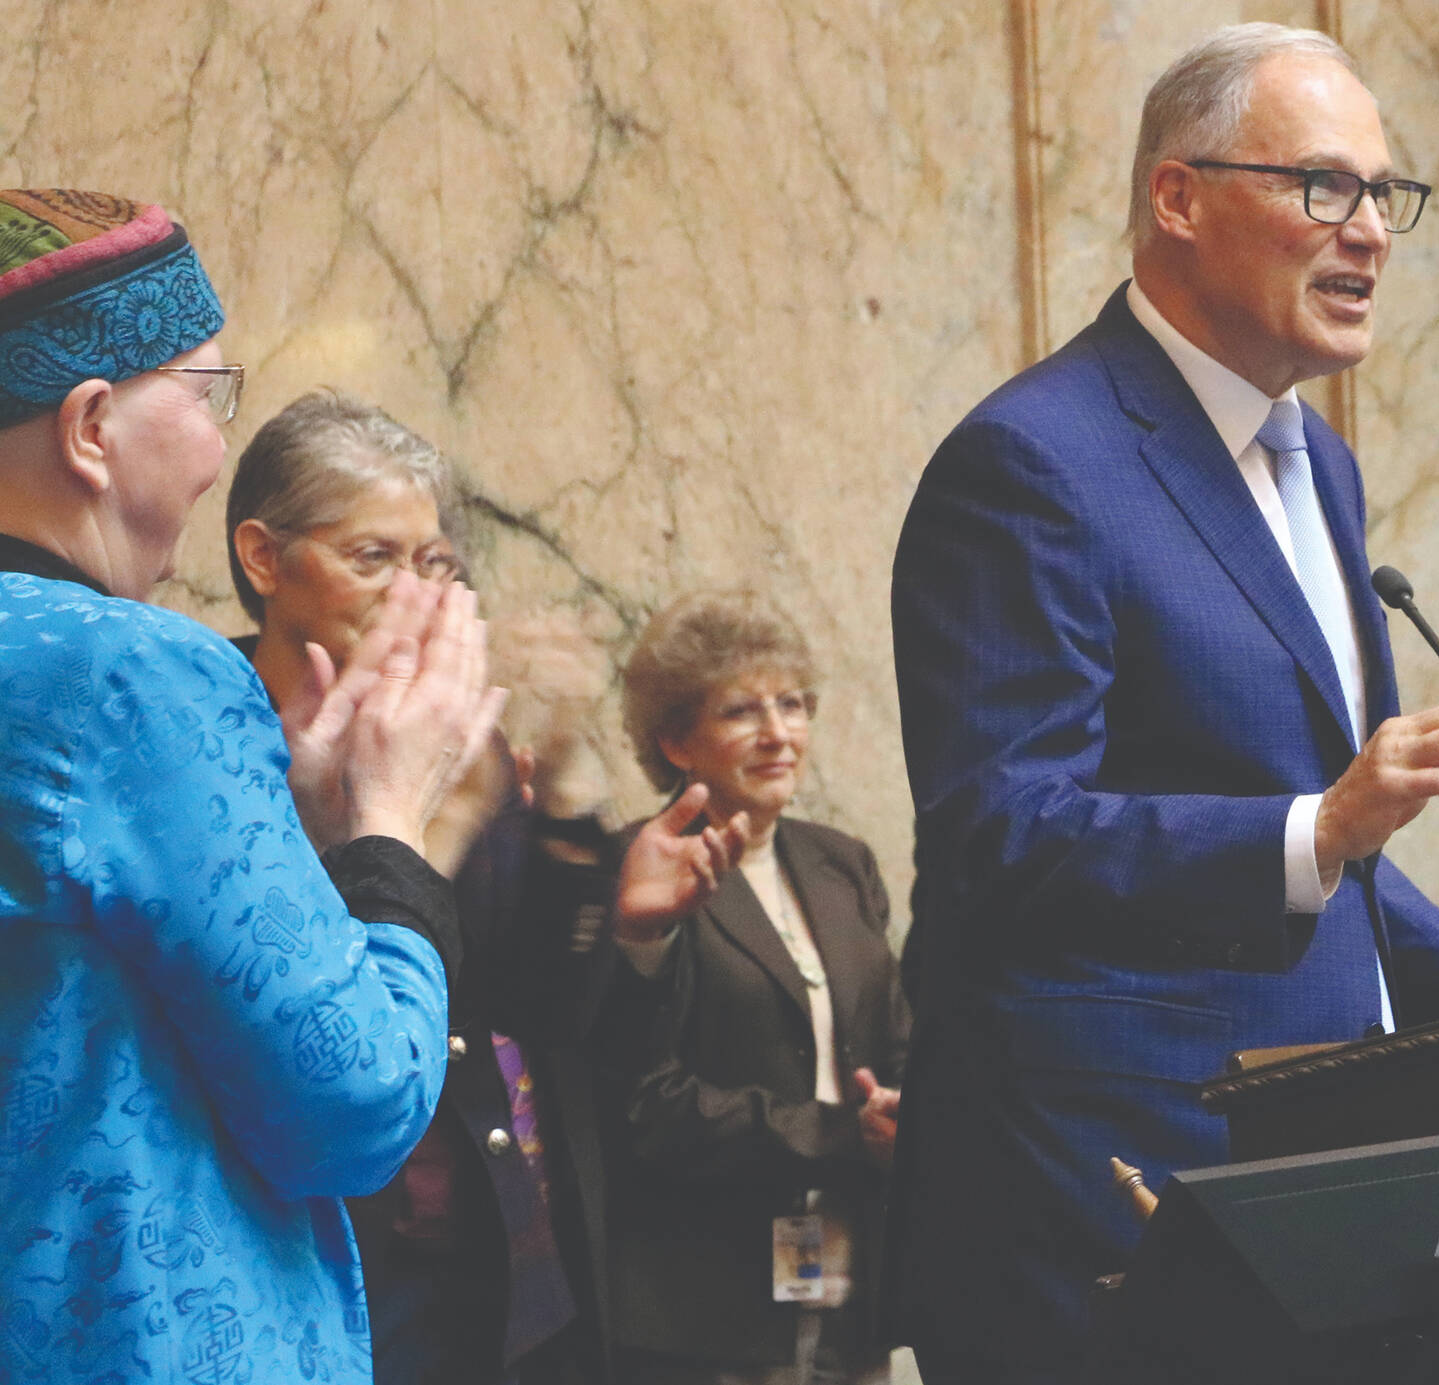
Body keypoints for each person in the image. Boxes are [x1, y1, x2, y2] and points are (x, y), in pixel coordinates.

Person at [887, 25, 1439, 1383]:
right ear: (1179, 198)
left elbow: (1320, 831)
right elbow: (1003, 833)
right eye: (1323, 186)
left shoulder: (1317, 465)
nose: (1372, 233)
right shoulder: (1034, 462)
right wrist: (1322, 828)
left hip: (1312, 1200)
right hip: (1105, 1211)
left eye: (1387, 194)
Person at [0, 188, 497, 1383]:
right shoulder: (130, 671)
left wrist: (304, 831)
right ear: (89, 427)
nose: (224, 449)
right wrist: (390, 825)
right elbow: (356, 1105)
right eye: (209, 393)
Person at [226, 390, 742, 1385]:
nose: (413, 596)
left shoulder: (461, 735)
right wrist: (416, 826)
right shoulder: (206, 724)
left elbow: (539, 1002)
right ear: (262, 559)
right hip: (301, 1257)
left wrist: (566, 796)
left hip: (491, 1264)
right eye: (371, 558)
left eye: (436, 566)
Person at [609, 593, 911, 1385]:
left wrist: (903, 1109)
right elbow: (651, 1102)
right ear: (677, 740)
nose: (779, 732)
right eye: (742, 710)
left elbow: (894, 1035)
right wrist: (837, 1130)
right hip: (708, 1299)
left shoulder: (842, 860)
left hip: (848, 1266)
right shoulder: (640, 872)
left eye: (792, 704)